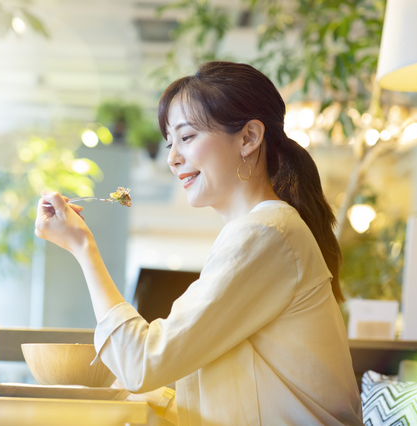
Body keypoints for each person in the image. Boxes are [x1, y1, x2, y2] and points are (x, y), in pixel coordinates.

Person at [35, 61, 363, 425]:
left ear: (249, 138)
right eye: (170, 142)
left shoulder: (266, 233)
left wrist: (84, 249)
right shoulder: (264, 230)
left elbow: (142, 363)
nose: (173, 159)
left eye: (187, 137)